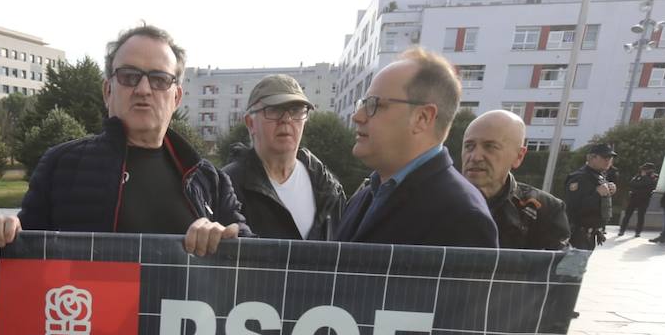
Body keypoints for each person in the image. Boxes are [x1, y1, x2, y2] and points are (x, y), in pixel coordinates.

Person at [0, 24, 246, 255]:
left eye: (159, 79)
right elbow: (24, 250)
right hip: (87, 313)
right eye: (129, 76)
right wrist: (3, 231)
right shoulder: (60, 165)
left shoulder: (210, 179)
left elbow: (259, 258)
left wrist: (227, 238)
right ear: (108, 90)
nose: (143, 89)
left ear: (176, 97)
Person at [335, 47, 497, 247]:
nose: (357, 116)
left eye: (375, 105)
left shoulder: (463, 217)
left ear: (422, 118)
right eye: (362, 104)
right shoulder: (365, 196)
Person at [222, 75, 345, 240]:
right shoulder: (225, 187)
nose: (286, 119)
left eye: (295, 111)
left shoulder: (329, 188)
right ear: (250, 123)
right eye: (274, 110)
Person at [460, 110, 568, 250]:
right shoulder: (436, 200)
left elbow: (559, 269)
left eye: (490, 147)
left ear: (519, 156)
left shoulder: (545, 211)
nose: (475, 157)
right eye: (469, 146)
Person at [562, 143, 618, 251]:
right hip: (578, 233)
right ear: (592, 157)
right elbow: (573, 208)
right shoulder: (579, 177)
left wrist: (609, 190)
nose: (608, 161)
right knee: (574, 265)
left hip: (591, 232)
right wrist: (597, 194)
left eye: (610, 158)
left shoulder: (599, 175)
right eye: (604, 157)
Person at [619, 162, 658, 237]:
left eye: (646, 169)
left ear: (651, 170)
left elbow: (650, 185)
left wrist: (644, 178)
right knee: (627, 215)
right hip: (634, 198)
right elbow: (632, 183)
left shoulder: (653, 177)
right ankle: (622, 230)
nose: (643, 170)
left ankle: (638, 232)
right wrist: (641, 183)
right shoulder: (638, 175)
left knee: (641, 216)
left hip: (644, 199)